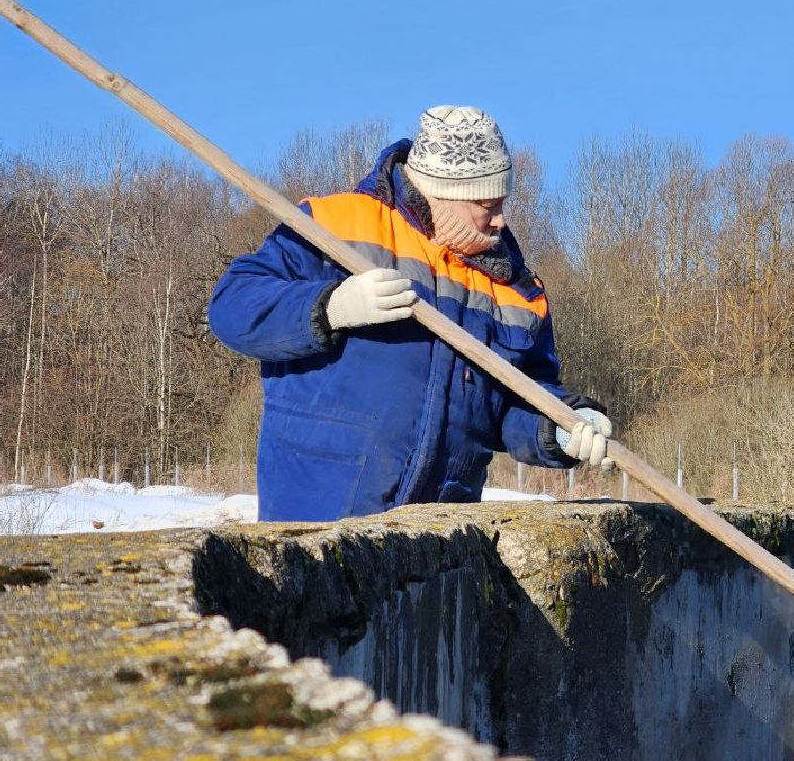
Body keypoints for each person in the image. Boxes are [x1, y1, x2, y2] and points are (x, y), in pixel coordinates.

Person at [208, 106, 612, 522]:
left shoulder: (518, 292)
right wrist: (331, 307)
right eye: (487, 204)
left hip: (435, 541)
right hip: (316, 517)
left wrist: (559, 427)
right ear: (443, 192)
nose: (500, 219)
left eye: (502, 202)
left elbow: (512, 403)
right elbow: (233, 306)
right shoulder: (334, 226)